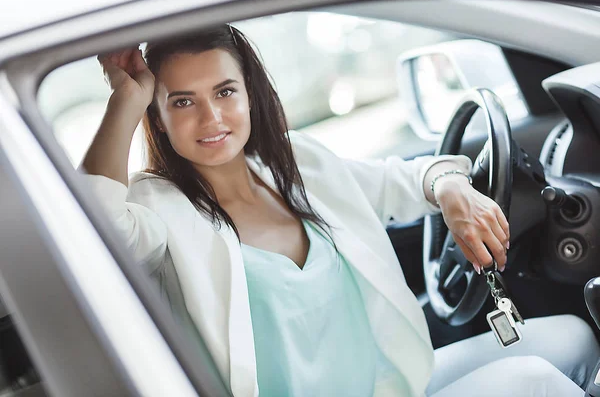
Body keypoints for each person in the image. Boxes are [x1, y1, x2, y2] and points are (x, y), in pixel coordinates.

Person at [81, 25, 599, 396]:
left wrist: (452, 190)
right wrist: (124, 100)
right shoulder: (159, 204)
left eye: (224, 92)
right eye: (183, 102)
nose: (212, 117)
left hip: (387, 384)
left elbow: (410, 177)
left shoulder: (294, 162)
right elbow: (96, 239)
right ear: (159, 116)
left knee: (572, 337)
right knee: (530, 382)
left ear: (250, 95)